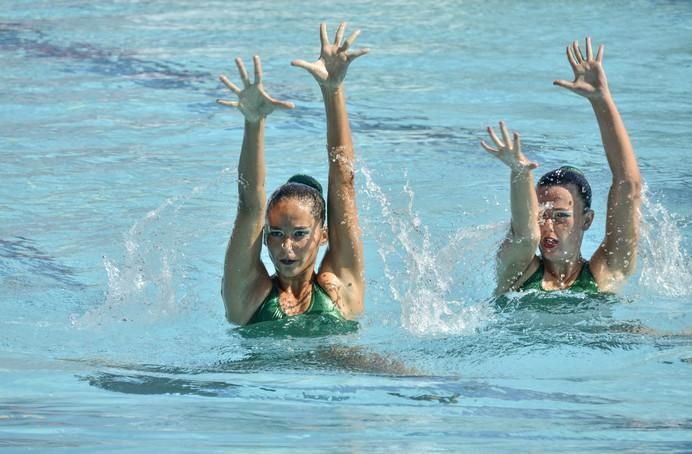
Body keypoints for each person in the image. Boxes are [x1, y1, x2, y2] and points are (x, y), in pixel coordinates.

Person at [216, 23, 368, 325]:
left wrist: (333, 89)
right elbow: (249, 206)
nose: (286, 247)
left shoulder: (340, 288)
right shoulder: (248, 296)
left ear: (322, 236)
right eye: (275, 234)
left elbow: (344, 180)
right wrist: (254, 122)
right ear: (264, 237)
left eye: (299, 234)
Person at [480, 37, 641, 295]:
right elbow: (525, 235)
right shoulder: (517, 272)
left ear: (586, 220)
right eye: (541, 215)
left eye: (560, 216)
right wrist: (520, 174)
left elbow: (629, 185)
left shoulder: (605, 273)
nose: (548, 226)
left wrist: (602, 100)